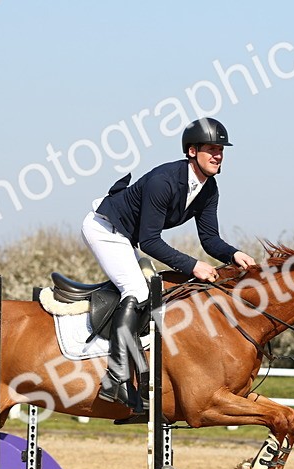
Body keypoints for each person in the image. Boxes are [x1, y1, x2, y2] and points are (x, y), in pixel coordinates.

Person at [81, 117, 258, 412]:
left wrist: (234, 254)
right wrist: (194, 266)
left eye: (221, 149)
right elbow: (150, 242)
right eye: (211, 148)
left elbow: (210, 239)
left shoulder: (209, 189)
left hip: (127, 237)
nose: (218, 155)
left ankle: (142, 373)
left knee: (157, 294)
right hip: (105, 229)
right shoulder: (164, 180)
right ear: (192, 151)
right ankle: (114, 378)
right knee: (136, 292)